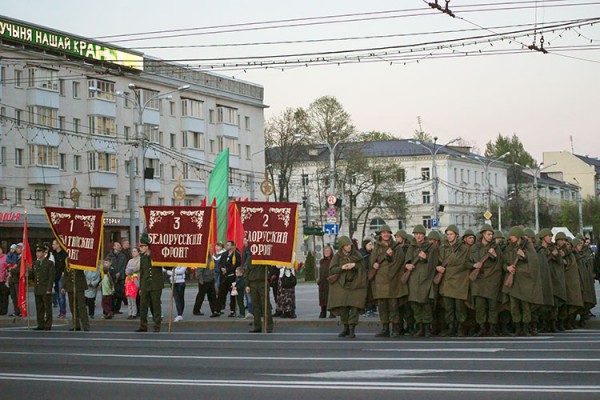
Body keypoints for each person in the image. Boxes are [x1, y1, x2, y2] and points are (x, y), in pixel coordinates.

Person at [503, 227, 544, 336]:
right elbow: (503, 261)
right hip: (513, 280)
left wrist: (524, 256)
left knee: (525, 306)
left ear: (517, 236)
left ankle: (526, 328)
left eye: (512, 236)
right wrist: (507, 268)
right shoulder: (509, 248)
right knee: (514, 306)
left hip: (525, 281)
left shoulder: (528, 247)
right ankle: (518, 328)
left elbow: (534, 263)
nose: (510, 238)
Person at [327, 236, 368, 339]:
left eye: (349, 245)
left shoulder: (357, 255)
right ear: (342, 247)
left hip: (355, 284)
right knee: (343, 307)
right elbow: (332, 269)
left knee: (354, 307)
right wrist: (342, 267)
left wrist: (354, 265)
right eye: (346, 245)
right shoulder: (337, 256)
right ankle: (345, 328)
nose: (348, 247)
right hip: (342, 285)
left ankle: (352, 330)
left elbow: (363, 267)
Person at [369, 225, 406, 338]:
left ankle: (395, 328)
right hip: (379, 282)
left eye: (387, 232)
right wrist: (374, 264)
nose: (385, 234)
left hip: (392, 282)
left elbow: (398, 263)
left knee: (393, 306)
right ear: (380, 234)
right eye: (383, 232)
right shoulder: (377, 247)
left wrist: (389, 258)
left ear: (390, 234)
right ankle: (385, 328)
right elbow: (372, 260)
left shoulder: (396, 247)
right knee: (382, 306)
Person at [469, 224, 503, 337]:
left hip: (492, 280)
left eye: (491, 234)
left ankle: (492, 327)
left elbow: (501, 263)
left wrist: (494, 256)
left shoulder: (496, 247)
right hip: (478, 280)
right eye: (488, 234)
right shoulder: (474, 247)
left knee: (492, 306)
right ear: (483, 234)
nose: (490, 236)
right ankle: (482, 327)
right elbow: (467, 262)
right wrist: (474, 265)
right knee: (480, 306)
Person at [437, 225, 471, 337]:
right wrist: (438, 267)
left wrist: (448, 268)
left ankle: (461, 327)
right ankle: (451, 327)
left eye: (451, 234)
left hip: (459, 281)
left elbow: (463, 264)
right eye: (448, 234)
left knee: (459, 307)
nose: (449, 236)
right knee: (448, 307)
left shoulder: (463, 249)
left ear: (456, 235)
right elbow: (438, 262)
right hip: (447, 281)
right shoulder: (442, 248)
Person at [405, 225, 437, 338]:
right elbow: (407, 261)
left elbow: (432, 264)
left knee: (426, 304)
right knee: (415, 304)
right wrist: (407, 265)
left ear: (424, 235)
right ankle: (420, 326)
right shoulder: (411, 247)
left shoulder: (430, 247)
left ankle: (427, 327)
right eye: (416, 234)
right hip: (413, 278)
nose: (418, 236)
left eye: (420, 234)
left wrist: (424, 258)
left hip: (426, 279)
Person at [136, 233, 164, 333]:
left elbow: (165, 265)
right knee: (143, 306)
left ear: (147, 247)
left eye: (142, 246)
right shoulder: (142, 258)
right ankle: (143, 325)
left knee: (156, 305)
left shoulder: (156, 257)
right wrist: (140, 287)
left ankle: (157, 325)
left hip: (156, 284)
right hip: (145, 285)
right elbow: (142, 273)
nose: (141, 248)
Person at [244, 260, 274, 333]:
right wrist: (247, 284)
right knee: (255, 306)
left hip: (262, 283)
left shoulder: (264, 258)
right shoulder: (250, 259)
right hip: (253, 283)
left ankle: (268, 326)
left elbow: (270, 270)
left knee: (265, 306)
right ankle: (257, 326)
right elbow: (246, 273)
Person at [30, 245, 55, 330]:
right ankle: (40, 324)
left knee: (47, 308)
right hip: (38, 288)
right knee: (39, 308)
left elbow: (51, 277)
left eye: (40, 252)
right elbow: (33, 276)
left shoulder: (49, 263)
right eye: (37, 252)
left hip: (45, 288)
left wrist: (49, 288)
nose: (38, 254)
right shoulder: (35, 263)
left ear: (44, 253)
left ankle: (48, 324)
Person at [62, 258, 90, 332]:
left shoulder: (79, 258)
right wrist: (63, 286)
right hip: (70, 286)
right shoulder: (67, 260)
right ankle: (76, 325)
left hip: (79, 285)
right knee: (72, 307)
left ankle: (85, 325)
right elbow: (66, 274)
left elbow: (84, 267)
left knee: (82, 306)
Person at [218, 241, 240, 318]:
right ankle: (217, 310)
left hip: (232, 277)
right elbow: (220, 263)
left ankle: (232, 310)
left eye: (228, 245)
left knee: (233, 294)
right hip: (224, 277)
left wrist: (227, 270)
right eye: (226, 245)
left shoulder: (236, 254)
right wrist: (222, 268)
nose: (226, 246)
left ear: (233, 246)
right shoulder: (224, 254)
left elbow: (236, 265)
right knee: (221, 294)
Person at [193, 252, 219, 318]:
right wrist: (200, 280)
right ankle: (196, 310)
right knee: (201, 296)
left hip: (211, 279)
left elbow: (212, 268)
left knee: (212, 296)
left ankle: (214, 311)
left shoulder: (211, 258)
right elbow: (199, 271)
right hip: (204, 280)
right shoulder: (202, 259)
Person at [106, 242, 126, 314]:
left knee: (120, 293)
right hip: (112, 277)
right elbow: (107, 265)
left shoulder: (122, 256)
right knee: (112, 293)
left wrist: (120, 273)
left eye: (120, 245)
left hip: (121, 277)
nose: (119, 246)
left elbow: (124, 266)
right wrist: (114, 274)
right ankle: (112, 308)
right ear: (114, 247)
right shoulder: (109, 256)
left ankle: (117, 308)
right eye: (117, 245)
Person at [51, 240, 67, 319]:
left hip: (61, 276)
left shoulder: (64, 254)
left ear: (58, 245)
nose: (52, 246)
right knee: (57, 294)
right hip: (55, 276)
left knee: (61, 295)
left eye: (54, 244)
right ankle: (61, 310)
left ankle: (62, 311)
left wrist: (64, 272)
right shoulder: (52, 254)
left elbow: (66, 264)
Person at [318, 245, 333, 318]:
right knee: (322, 298)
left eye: (328, 251)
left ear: (331, 252)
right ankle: (323, 312)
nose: (326, 252)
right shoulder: (322, 261)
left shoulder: (333, 260)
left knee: (330, 297)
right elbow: (320, 272)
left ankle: (332, 312)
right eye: (325, 251)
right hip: (322, 282)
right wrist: (319, 281)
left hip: (330, 282)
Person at [7, 243, 22, 317]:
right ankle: (16, 311)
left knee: (18, 296)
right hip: (12, 279)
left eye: (19, 248)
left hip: (18, 279)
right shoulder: (15, 256)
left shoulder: (22, 257)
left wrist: (12, 270)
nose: (17, 249)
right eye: (17, 248)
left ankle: (21, 311)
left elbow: (20, 269)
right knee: (13, 296)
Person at [0, 246, 9, 315]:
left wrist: (7, 278)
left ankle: (4, 310)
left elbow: (8, 267)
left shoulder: (6, 257)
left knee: (4, 296)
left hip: (4, 280)